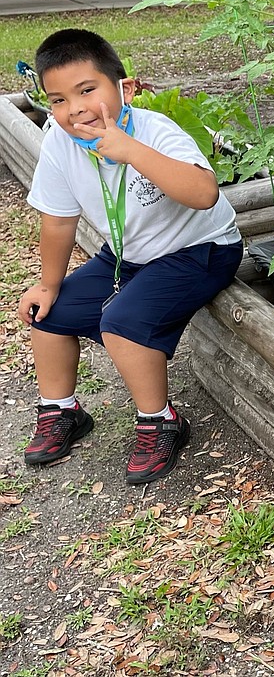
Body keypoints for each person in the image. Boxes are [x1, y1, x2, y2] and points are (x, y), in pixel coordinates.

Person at [17, 29, 243, 484]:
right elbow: (58, 220)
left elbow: (203, 193)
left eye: (87, 90)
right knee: (48, 312)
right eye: (57, 100)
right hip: (130, 254)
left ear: (126, 88)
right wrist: (48, 282)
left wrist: (129, 150)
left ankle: (161, 421)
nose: (74, 109)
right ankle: (61, 410)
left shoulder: (156, 131)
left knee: (120, 322)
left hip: (200, 248)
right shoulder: (61, 144)